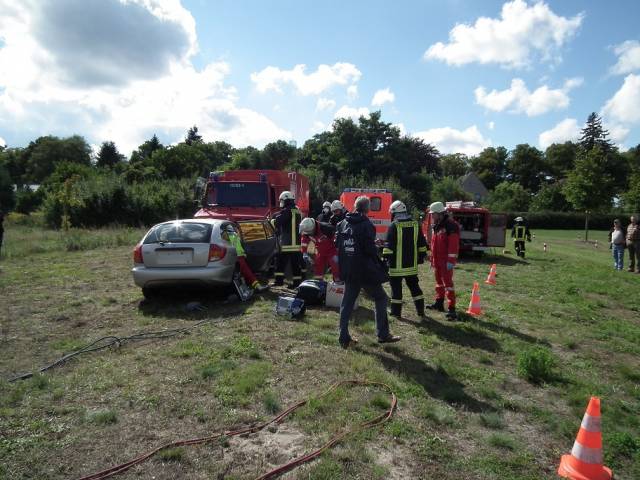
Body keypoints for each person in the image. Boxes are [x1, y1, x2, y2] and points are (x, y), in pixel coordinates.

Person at [335, 195, 400, 348]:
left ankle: (343, 338)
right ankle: (383, 334)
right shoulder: (366, 224)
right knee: (381, 297)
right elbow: (369, 250)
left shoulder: (342, 223)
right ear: (368, 209)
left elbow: (338, 243)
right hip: (364, 271)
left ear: (355, 206)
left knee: (347, 303)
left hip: (349, 269)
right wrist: (376, 246)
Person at [382, 200, 427, 318]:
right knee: (415, 288)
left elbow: (388, 247)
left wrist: (385, 260)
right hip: (411, 266)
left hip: (396, 267)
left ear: (395, 213)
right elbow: (422, 243)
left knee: (396, 290)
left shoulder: (394, 225)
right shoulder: (416, 224)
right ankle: (421, 311)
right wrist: (421, 257)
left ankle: (396, 313)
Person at [426, 201, 460, 320]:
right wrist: (432, 258)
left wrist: (451, 261)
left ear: (440, 213)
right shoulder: (437, 225)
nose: (431, 216)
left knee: (448, 285)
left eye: (433, 214)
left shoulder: (451, 226)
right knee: (439, 283)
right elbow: (434, 244)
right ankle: (439, 303)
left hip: (446, 262)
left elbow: (453, 246)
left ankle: (452, 309)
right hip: (438, 260)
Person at [222, 225, 269, 292]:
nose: (236, 228)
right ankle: (257, 287)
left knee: (244, 273)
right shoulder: (229, 234)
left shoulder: (231, 234)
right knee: (246, 273)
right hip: (236, 257)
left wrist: (243, 254)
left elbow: (238, 245)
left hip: (239, 256)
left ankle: (251, 287)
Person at [273, 191, 303, 287]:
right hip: (296, 243)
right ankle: (297, 283)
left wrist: (273, 220)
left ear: (286, 200)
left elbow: (278, 222)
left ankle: (279, 281)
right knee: (295, 265)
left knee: (280, 262)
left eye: (282, 201)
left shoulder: (287, 211)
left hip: (287, 243)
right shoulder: (297, 210)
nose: (281, 203)